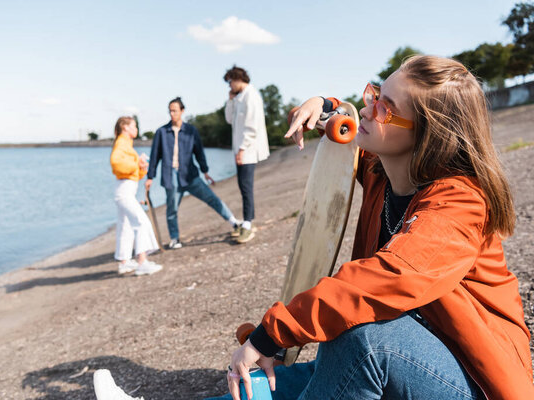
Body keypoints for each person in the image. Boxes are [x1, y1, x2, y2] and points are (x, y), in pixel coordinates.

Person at [213, 56, 534, 400]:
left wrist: (272, 335)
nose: (368, 110)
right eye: (375, 94)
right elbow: (344, 127)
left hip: (467, 378)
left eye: (385, 108)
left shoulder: (459, 204)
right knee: (242, 394)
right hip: (398, 361)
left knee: (361, 336)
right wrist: (323, 105)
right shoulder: (381, 172)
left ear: (429, 134)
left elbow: (383, 280)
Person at [145, 97, 241, 249]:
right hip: (171, 177)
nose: (172, 113)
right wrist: (150, 177)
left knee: (212, 198)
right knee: (172, 210)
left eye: (174, 110)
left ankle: (234, 222)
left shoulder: (191, 131)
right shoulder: (161, 132)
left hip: (190, 175)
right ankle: (175, 238)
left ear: (182, 111)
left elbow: (199, 153)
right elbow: (155, 156)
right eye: (170, 111)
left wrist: (205, 171)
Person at [110, 116, 162, 276]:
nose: (136, 129)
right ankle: (142, 262)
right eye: (134, 126)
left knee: (125, 226)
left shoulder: (126, 144)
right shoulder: (122, 143)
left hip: (125, 189)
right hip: (124, 191)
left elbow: (131, 172)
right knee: (141, 222)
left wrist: (141, 167)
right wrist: (137, 164)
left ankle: (125, 262)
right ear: (125, 127)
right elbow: (115, 163)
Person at [224, 66, 270, 244]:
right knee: (243, 186)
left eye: (230, 82)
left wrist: (242, 149)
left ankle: (248, 224)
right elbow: (229, 120)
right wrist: (230, 101)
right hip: (241, 149)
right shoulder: (238, 98)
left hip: (248, 150)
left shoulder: (251, 96)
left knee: (246, 186)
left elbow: (251, 127)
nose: (229, 86)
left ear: (237, 79)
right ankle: (247, 221)